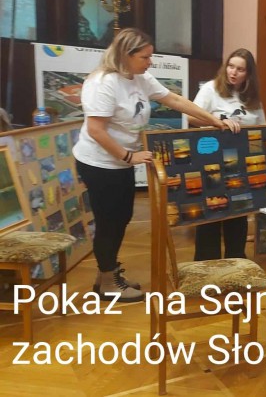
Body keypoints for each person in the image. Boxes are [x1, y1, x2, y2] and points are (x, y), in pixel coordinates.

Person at [72, 28, 240, 302]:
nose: (150, 62)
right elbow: (96, 130)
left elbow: (173, 100)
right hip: (99, 163)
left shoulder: (140, 77)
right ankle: (107, 282)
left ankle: (107, 274)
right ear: (125, 55)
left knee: (121, 218)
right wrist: (129, 157)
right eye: (145, 57)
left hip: (119, 163)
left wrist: (214, 120)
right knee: (109, 221)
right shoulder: (103, 83)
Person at [188, 48, 265, 261]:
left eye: (240, 69)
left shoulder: (253, 98)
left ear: (248, 74)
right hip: (211, 160)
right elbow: (191, 117)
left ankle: (236, 261)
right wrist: (219, 122)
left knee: (238, 212)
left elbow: (262, 127)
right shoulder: (211, 89)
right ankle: (207, 263)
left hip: (240, 165)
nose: (233, 72)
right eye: (231, 66)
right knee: (211, 211)